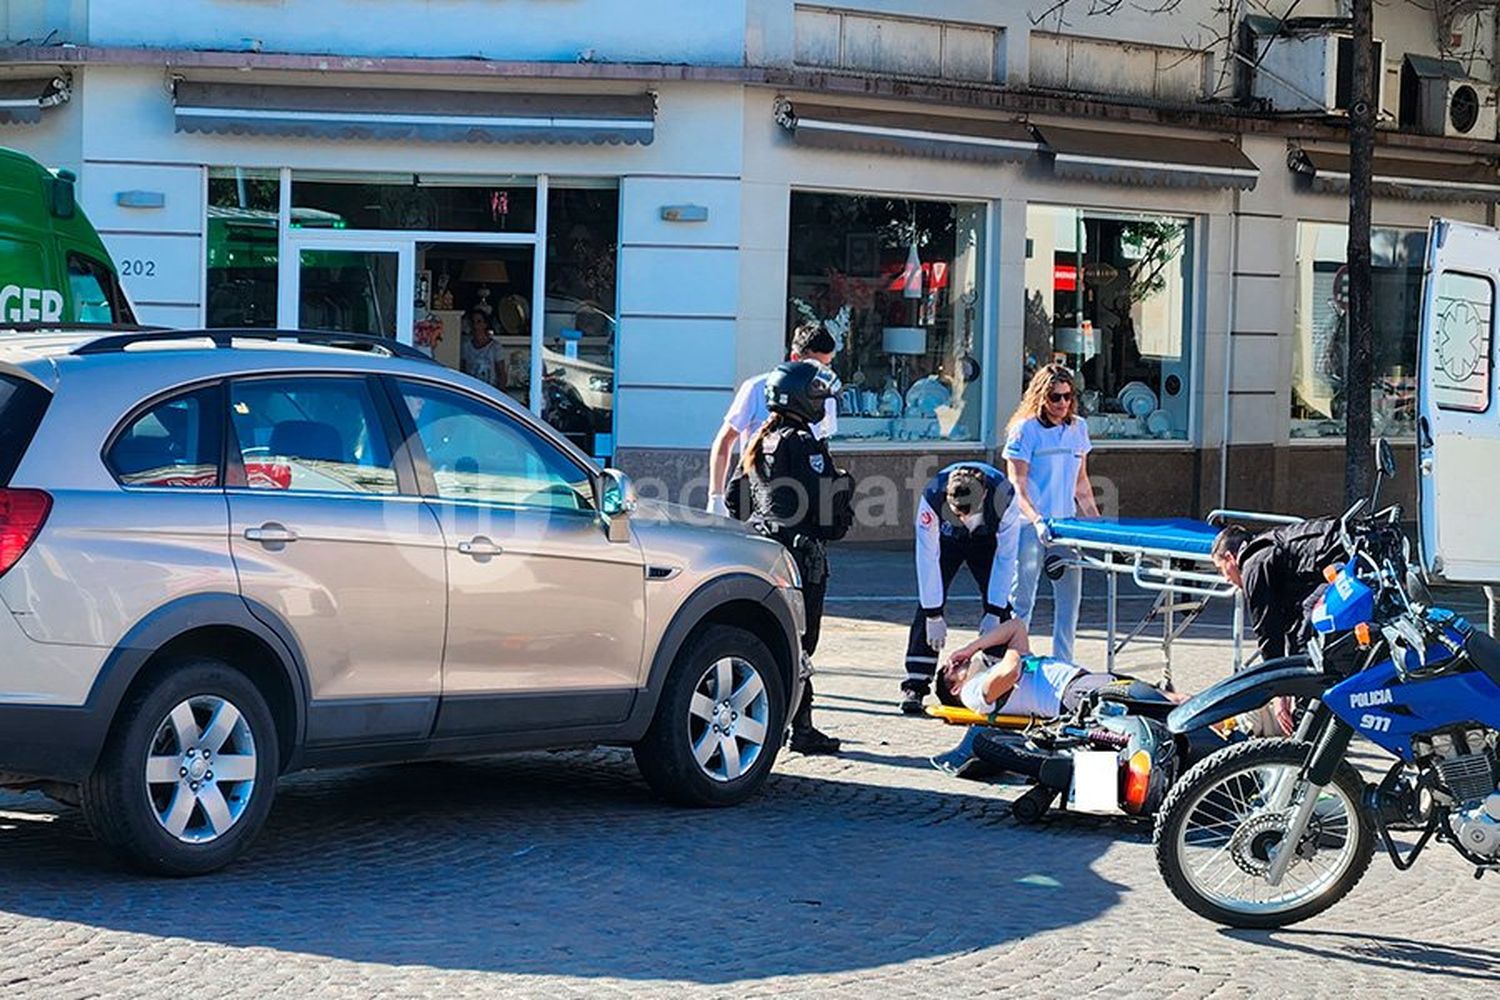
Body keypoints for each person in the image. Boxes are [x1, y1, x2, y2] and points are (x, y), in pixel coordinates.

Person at [730, 360, 853, 754]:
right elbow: (828, 515)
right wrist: (843, 487)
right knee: (802, 642)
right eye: (818, 395)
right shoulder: (804, 444)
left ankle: (784, 722)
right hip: (801, 556)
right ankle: (802, 728)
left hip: (764, 550)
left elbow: (737, 500)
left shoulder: (758, 441)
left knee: (772, 635)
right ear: (803, 398)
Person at [899, 462, 1021, 716]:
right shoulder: (932, 498)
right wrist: (933, 612)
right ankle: (916, 685)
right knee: (927, 606)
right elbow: (927, 558)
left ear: (984, 495)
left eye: (969, 512)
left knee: (1001, 613)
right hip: (945, 542)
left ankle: (997, 682)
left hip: (986, 541)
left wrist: (994, 609)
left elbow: (1006, 558)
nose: (963, 518)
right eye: (958, 512)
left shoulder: (1005, 497)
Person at [1003, 363, 1098, 664]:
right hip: (1032, 526)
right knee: (1022, 599)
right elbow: (1017, 486)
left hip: (1066, 526)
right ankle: (1011, 662)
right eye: (1055, 397)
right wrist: (1036, 519)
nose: (1062, 404)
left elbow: (1081, 483)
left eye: (1068, 397)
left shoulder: (1077, 428)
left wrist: (1096, 524)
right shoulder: (1025, 430)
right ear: (1041, 397)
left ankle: (1064, 665)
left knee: (1070, 602)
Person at [706, 322, 838, 517]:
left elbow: (822, 449)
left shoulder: (824, 396)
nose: (821, 374)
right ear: (795, 358)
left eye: (826, 366)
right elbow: (726, 439)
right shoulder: (758, 388)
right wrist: (715, 497)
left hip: (801, 498)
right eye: (815, 366)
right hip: (758, 493)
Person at [1210, 517, 1345, 663]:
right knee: (1300, 630)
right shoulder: (1264, 548)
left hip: (1341, 556)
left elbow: (1267, 629)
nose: (1225, 578)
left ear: (1230, 558)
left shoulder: (1253, 565)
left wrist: (1272, 673)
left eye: (1221, 569)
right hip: (1343, 548)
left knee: (1303, 640)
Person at [460, 308, 506, 390]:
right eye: (473, 322)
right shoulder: (466, 346)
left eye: (479, 322)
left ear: (485, 324)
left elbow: (501, 374)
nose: (475, 325)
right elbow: (463, 370)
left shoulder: (495, 347)